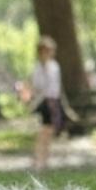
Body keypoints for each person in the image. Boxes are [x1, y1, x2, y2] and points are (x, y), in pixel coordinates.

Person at [30, 35, 63, 170]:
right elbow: (38, 85)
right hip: (45, 101)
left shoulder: (54, 66)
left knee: (49, 132)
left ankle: (45, 158)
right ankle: (39, 158)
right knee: (44, 130)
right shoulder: (38, 68)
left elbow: (56, 85)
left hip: (53, 100)